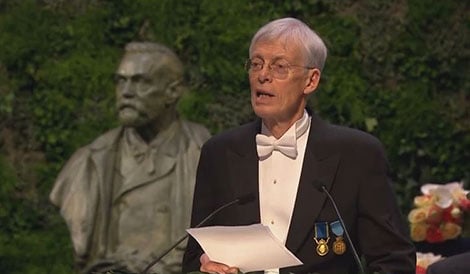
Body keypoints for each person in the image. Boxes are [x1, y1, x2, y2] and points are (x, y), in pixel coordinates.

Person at [182, 17, 416, 274]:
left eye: (279, 66)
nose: (262, 75)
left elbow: (394, 260)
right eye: (256, 64)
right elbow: (194, 258)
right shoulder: (219, 152)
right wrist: (207, 267)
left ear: (311, 81)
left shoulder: (357, 154)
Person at [50, 42, 211, 274]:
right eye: (121, 81)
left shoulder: (204, 155)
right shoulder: (91, 161)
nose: (126, 92)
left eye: (140, 82)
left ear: (173, 92)